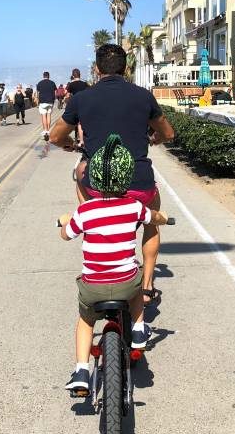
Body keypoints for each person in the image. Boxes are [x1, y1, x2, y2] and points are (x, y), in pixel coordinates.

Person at [50, 43, 175, 306]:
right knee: (152, 222)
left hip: (98, 185)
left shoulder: (82, 99)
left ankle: (93, 229)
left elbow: (55, 136)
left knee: (80, 174)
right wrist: (153, 139)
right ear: (126, 68)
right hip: (140, 185)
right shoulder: (143, 96)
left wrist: (71, 146)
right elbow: (168, 133)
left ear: (96, 69)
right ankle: (148, 284)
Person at [58, 134, 171, 392]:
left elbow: (66, 235)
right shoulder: (133, 206)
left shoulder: (85, 212)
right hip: (125, 285)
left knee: (86, 321)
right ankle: (139, 328)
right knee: (137, 282)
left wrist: (62, 223)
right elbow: (153, 217)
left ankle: (81, 371)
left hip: (93, 287)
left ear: (94, 179)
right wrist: (163, 218)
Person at [65, 68, 89, 146]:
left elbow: (68, 95)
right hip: (85, 104)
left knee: (78, 123)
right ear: (80, 75)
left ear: (73, 75)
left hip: (75, 105)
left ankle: (81, 141)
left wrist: (68, 102)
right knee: (83, 122)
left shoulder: (71, 84)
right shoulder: (84, 84)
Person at [36, 71, 57, 140]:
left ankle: (45, 131)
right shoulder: (52, 83)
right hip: (50, 102)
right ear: (49, 76)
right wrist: (53, 100)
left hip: (42, 102)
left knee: (43, 116)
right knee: (48, 116)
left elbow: (38, 93)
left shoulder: (39, 83)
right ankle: (48, 130)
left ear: (43, 76)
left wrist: (38, 101)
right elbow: (55, 92)